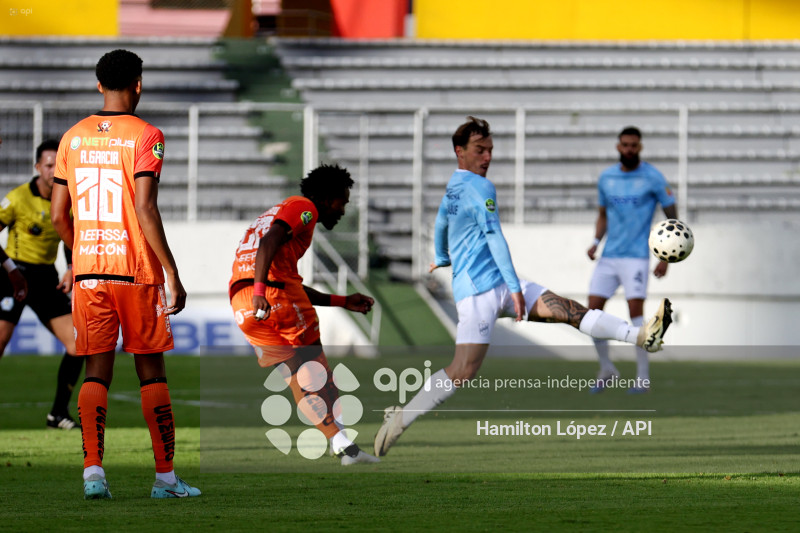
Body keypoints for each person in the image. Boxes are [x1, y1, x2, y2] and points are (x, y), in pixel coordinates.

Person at [374, 116, 673, 457]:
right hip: (478, 294)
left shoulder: (454, 187)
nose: (487, 157)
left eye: (490, 150)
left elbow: (442, 220)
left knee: (568, 310)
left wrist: (442, 256)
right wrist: (515, 289)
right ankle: (402, 417)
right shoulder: (479, 187)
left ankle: (640, 335)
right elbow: (494, 237)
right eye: (479, 150)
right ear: (460, 151)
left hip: (500, 282)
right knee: (463, 370)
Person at [51, 49, 200, 499]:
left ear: (99, 84)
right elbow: (145, 206)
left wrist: (82, 252)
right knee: (151, 372)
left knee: (96, 370)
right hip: (135, 271)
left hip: (90, 272)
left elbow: (59, 213)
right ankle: (166, 480)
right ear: (138, 83)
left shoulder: (71, 138)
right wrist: (171, 271)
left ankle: (93, 474)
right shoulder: (147, 135)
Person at [229, 163, 379, 465]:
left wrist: (341, 300)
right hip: (270, 296)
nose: (343, 209)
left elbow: (286, 279)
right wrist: (262, 291)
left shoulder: (273, 213)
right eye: (342, 201)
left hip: (242, 303)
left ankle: (341, 444)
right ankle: (344, 441)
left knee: (296, 376)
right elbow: (269, 244)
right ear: (326, 197)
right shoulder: (303, 207)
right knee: (317, 371)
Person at [586, 126, 677, 394]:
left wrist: (665, 257)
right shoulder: (607, 178)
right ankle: (606, 368)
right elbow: (603, 215)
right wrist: (594, 242)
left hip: (637, 258)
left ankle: (643, 379)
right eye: (625, 144)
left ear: (640, 147)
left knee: (636, 316)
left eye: (633, 145)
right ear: (618, 147)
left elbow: (672, 219)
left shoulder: (653, 177)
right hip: (609, 256)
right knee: (590, 314)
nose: (629, 149)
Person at [0, 139, 84, 429]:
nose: (52, 170)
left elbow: (70, 237)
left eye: (57, 165)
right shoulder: (18, 198)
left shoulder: (67, 198)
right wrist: (9, 270)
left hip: (46, 277)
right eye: (48, 165)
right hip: (13, 277)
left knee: (78, 345)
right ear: (38, 167)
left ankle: (58, 413)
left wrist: (72, 268)